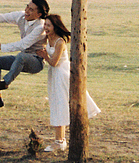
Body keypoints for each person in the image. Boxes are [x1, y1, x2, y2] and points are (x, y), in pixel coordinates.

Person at [40, 12, 100, 153]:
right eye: (45, 25)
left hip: (62, 74)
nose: (46, 28)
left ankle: (60, 141)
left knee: (61, 104)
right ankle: (60, 140)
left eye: (48, 25)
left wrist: (44, 56)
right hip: (54, 74)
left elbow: (54, 62)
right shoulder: (47, 38)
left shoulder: (60, 42)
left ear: (55, 27)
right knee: (56, 104)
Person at [0, 0, 49, 92]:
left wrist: (1, 47)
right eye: (27, 7)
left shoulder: (40, 27)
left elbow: (23, 44)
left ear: (39, 15)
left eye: (31, 10)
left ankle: (5, 82)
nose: (27, 11)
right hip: (21, 58)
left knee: (21, 56)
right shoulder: (21, 16)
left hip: (36, 62)